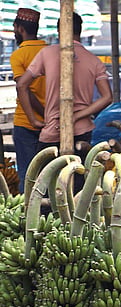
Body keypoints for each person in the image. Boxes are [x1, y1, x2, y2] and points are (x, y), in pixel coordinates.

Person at [16, 13, 113, 153]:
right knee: (80, 173)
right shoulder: (94, 61)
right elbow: (107, 97)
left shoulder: (47, 53)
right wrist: (77, 116)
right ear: (80, 30)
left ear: (59, 31)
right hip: (82, 130)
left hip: (53, 130)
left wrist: (33, 120)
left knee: (45, 174)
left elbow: (21, 85)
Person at [9, 8, 47, 184]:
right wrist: (48, 113)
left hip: (26, 122)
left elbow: (23, 87)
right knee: (48, 175)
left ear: (20, 29)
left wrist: (39, 113)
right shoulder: (50, 51)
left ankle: (29, 211)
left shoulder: (18, 55)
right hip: (51, 122)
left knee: (27, 176)